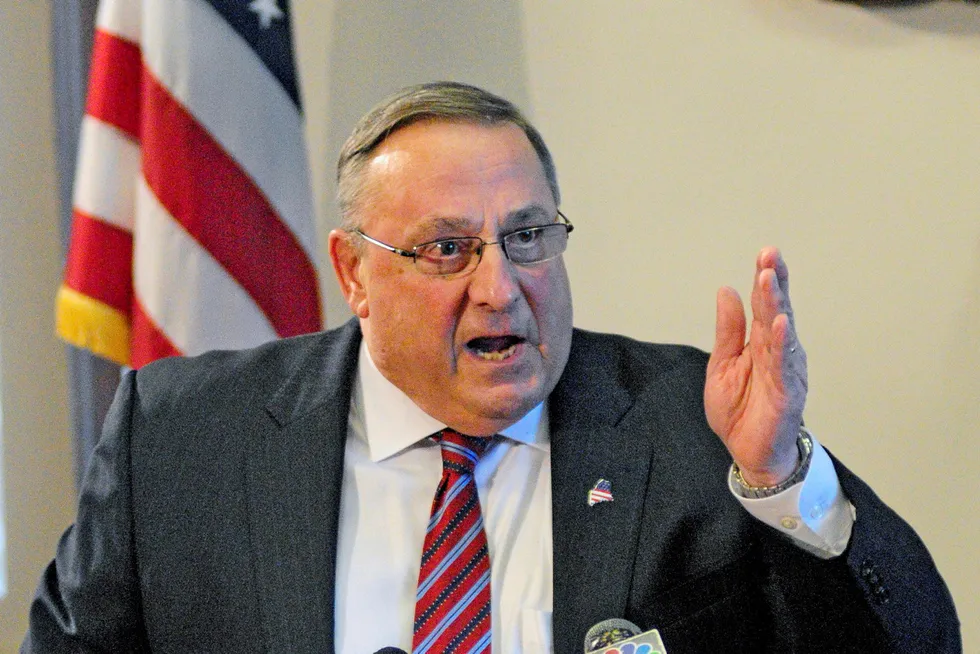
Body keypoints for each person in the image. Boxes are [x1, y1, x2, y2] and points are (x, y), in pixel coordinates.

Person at [24, 82, 959, 653]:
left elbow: (917, 642)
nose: (501, 288)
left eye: (527, 236)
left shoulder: (693, 423)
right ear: (353, 273)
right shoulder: (183, 439)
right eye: (447, 250)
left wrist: (783, 479)